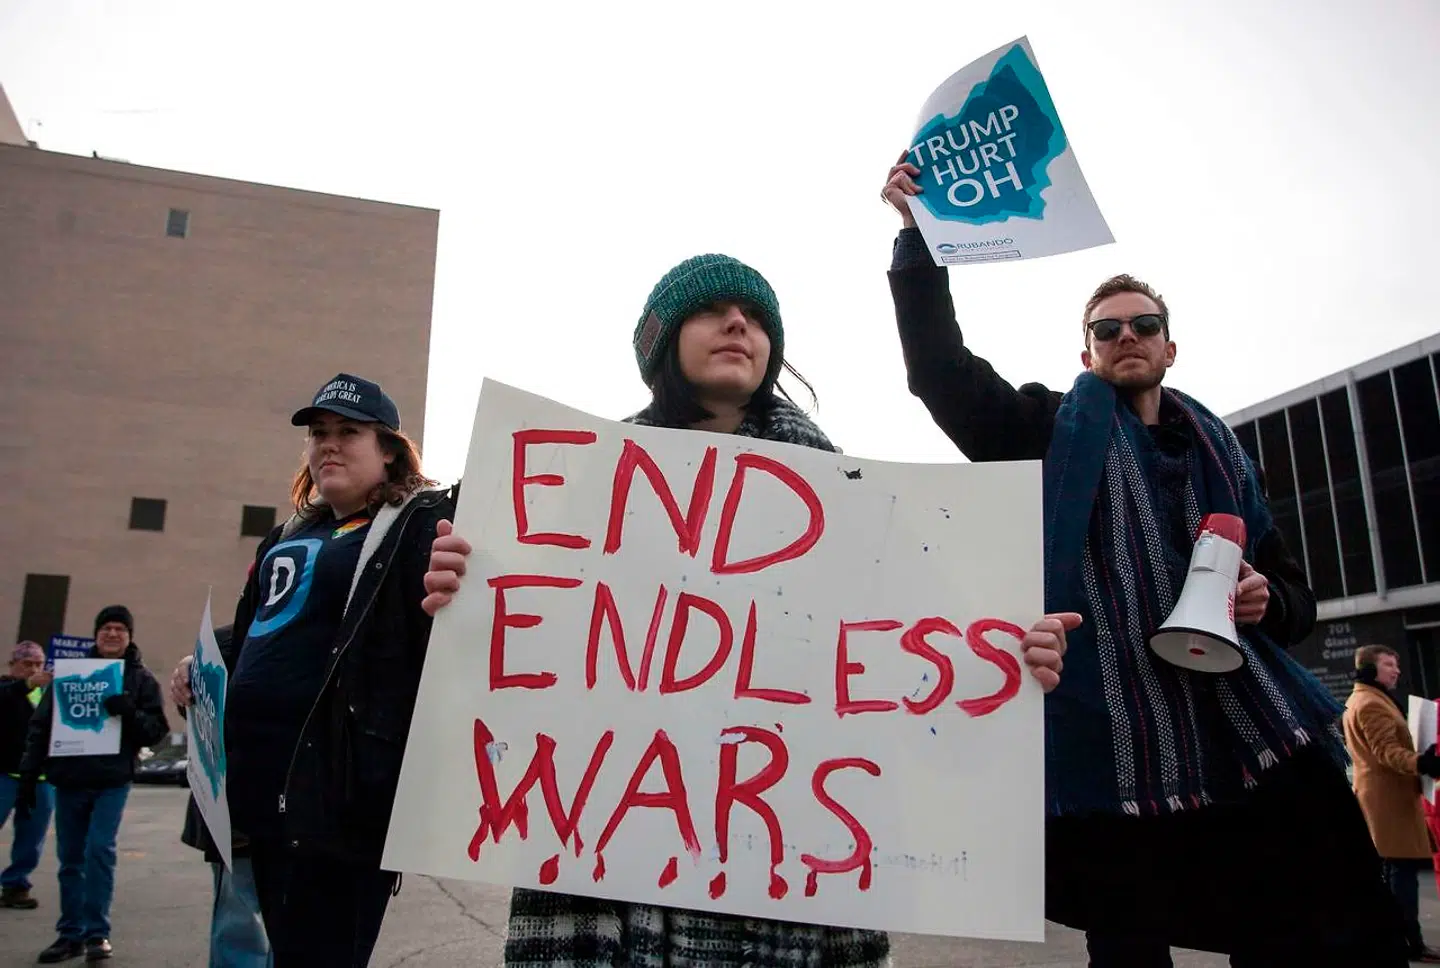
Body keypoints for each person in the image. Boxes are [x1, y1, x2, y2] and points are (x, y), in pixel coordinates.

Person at [420, 253, 1076, 967]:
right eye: (713, 310)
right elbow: (514, 686)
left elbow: (931, 661)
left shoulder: (856, 501)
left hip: (792, 884)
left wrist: (1009, 659)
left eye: (758, 318)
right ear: (660, 341)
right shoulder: (579, 486)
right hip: (610, 871)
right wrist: (466, 597)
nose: (740, 323)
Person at [880, 159, 1410, 965]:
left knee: (1300, 930)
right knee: (1131, 948)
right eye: (1107, 328)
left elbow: (1298, 598)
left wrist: (1273, 601)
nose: (1127, 336)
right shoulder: (1049, 432)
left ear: (1170, 344)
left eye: (1143, 325)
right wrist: (917, 239)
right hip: (1122, 747)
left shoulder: (1225, 456)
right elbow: (940, 373)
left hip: (1245, 743)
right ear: (1087, 351)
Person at [170, 373, 454, 968]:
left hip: (337, 802)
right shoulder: (287, 534)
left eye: (348, 432)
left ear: (389, 451)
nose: (328, 444)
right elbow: (255, 637)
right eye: (318, 432)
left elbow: (441, 632)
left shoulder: (421, 526)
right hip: (250, 793)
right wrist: (203, 675)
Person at [20, 606, 169, 963]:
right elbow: (41, 727)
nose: (113, 634)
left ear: (129, 636)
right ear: (96, 634)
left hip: (111, 781)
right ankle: (69, 934)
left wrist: (128, 711)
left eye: (120, 628)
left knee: (99, 851)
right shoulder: (69, 676)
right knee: (70, 860)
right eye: (106, 628)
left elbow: (157, 731)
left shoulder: (141, 679)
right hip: (69, 780)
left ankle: (97, 934)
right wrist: (28, 774)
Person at [178, 623, 272, 968]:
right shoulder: (224, 642)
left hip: (307, 815)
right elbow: (201, 713)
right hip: (238, 816)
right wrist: (189, 677)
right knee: (238, 925)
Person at [1343, 644, 1440, 962]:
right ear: (1369, 670)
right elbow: (1387, 752)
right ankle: (1409, 942)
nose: (1396, 670)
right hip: (1389, 802)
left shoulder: (1368, 699)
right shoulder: (1371, 703)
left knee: (1394, 874)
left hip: (1387, 799)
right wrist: (1423, 764)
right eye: (1388, 665)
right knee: (1402, 875)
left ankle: (1399, 939)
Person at [1, 641, 54, 910]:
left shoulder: (46, 694)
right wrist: (26, 685)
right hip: (5, 773)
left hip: (40, 778)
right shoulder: (7, 689)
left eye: (38, 664)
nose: (34, 669)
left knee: (32, 835)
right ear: (13, 666)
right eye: (27, 664)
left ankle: (15, 884)